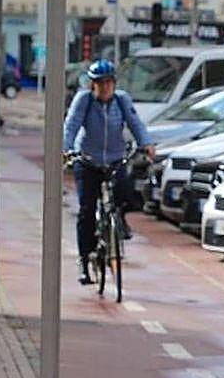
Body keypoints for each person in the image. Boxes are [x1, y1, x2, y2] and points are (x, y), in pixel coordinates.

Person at [62, 58, 155, 285]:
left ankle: (119, 220)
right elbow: (71, 125)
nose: (104, 87)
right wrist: (66, 149)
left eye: (108, 83)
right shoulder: (84, 101)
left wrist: (146, 143)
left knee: (127, 194)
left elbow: (135, 123)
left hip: (115, 159)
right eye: (99, 83)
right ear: (92, 84)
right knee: (86, 212)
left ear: (114, 83)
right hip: (88, 161)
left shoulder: (121, 100)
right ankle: (85, 261)